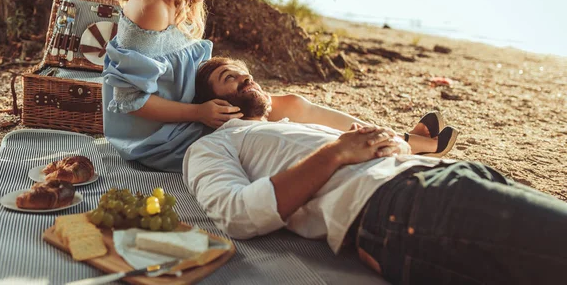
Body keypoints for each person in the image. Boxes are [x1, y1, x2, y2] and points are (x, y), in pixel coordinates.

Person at [102, 0, 450, 171]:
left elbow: (175, 70)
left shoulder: (185, 0)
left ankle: (399, 138)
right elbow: (132, 102)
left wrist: (224, 84)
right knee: (271, 125)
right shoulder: (154, 7)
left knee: (292, 103)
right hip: (156, 136)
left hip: (189, 109)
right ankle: (398, 147)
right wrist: (200, 111)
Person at [184, 56, 567, 285]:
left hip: (437, 179)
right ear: (211, 103)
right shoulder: (212, 146)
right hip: (407, 205)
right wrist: (335, 153)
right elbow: (237, 213)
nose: (246, 78)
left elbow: (351, 149)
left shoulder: (281, 128)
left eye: (244, 72)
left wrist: (394, 144)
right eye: (229, 78)